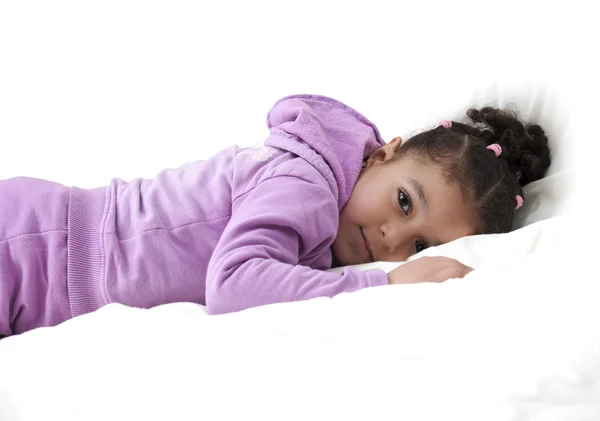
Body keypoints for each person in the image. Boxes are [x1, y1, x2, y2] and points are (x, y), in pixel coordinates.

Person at [0, 94, 551, 337]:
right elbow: (233, 284)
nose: (391, 238)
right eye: (404, 202)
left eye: (419, 247)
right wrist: (384, 282)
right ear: (382, 153)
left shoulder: (321, 217)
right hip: (32, 245)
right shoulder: (306, 181)